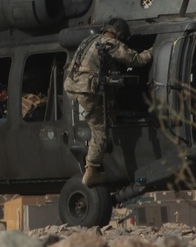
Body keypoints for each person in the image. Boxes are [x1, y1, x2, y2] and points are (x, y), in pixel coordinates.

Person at [64, 18, 151, 186]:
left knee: (101, 116)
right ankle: (92, 170)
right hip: (87, 90)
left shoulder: (90, 40)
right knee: (100, 132)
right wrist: (152, 51)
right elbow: (136, 60)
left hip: (73, 87)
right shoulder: (110, 43)